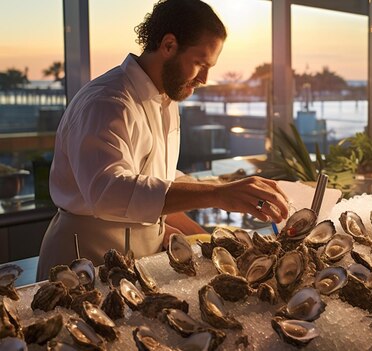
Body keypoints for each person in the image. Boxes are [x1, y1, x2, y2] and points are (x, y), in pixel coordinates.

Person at [37, 0, 289, 280]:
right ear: (168, 45)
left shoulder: (166, 99)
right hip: (83, 258)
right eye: (199, 63)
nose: (205, 78)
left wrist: (203, 236)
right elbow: (108, 191)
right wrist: (217, 193)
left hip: (137, 260)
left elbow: (156, 179)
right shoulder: (107, 101)